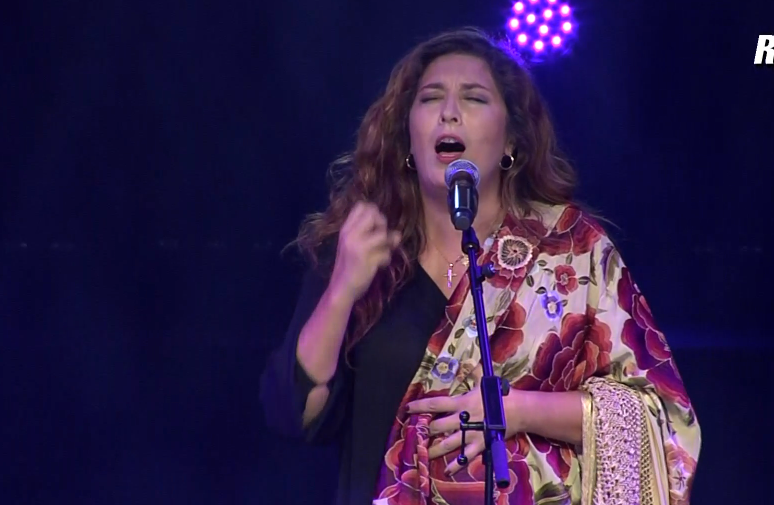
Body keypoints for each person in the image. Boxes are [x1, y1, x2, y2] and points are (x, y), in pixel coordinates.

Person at [259, 27, 701, 505]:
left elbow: (662, 419)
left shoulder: (573, 250)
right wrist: (343, 289)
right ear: (407, 138)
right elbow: (294, 416)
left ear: (511, 140)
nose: (449, 111)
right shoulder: (359, 250)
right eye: (431, 98)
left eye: (473, 98)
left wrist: (518, 409)